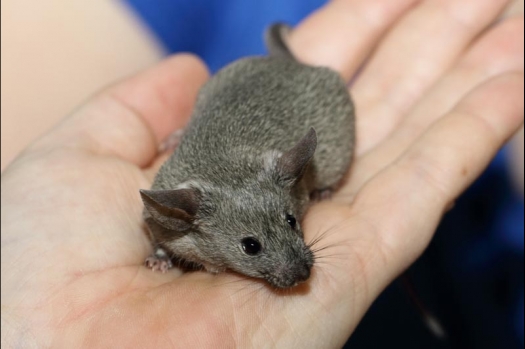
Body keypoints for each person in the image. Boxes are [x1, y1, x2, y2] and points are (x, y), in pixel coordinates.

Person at [1, 1, 523, 347]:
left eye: (293, 227)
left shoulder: (281, 175)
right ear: (188, 221)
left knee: (323, 111)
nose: (298, 266)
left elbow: (288, 190)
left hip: (293, 107)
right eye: (252, 246)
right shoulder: (176, 213)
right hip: (242, 90)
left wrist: (310, 187)